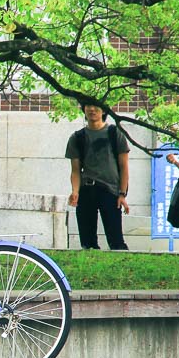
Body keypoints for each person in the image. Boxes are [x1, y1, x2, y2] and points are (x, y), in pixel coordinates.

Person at [65, 104, 130, 250]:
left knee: (116, 240)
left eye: (96, 106)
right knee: (87, 242)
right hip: (86, 189)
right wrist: (75, 191)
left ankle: (121, 267)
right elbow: (75, 170)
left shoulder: (115, 133)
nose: (92, 110)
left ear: (104, 110)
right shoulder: (77, 137)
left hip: (110, 191)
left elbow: (124, 166)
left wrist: (122, 193)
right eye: (88, 106)